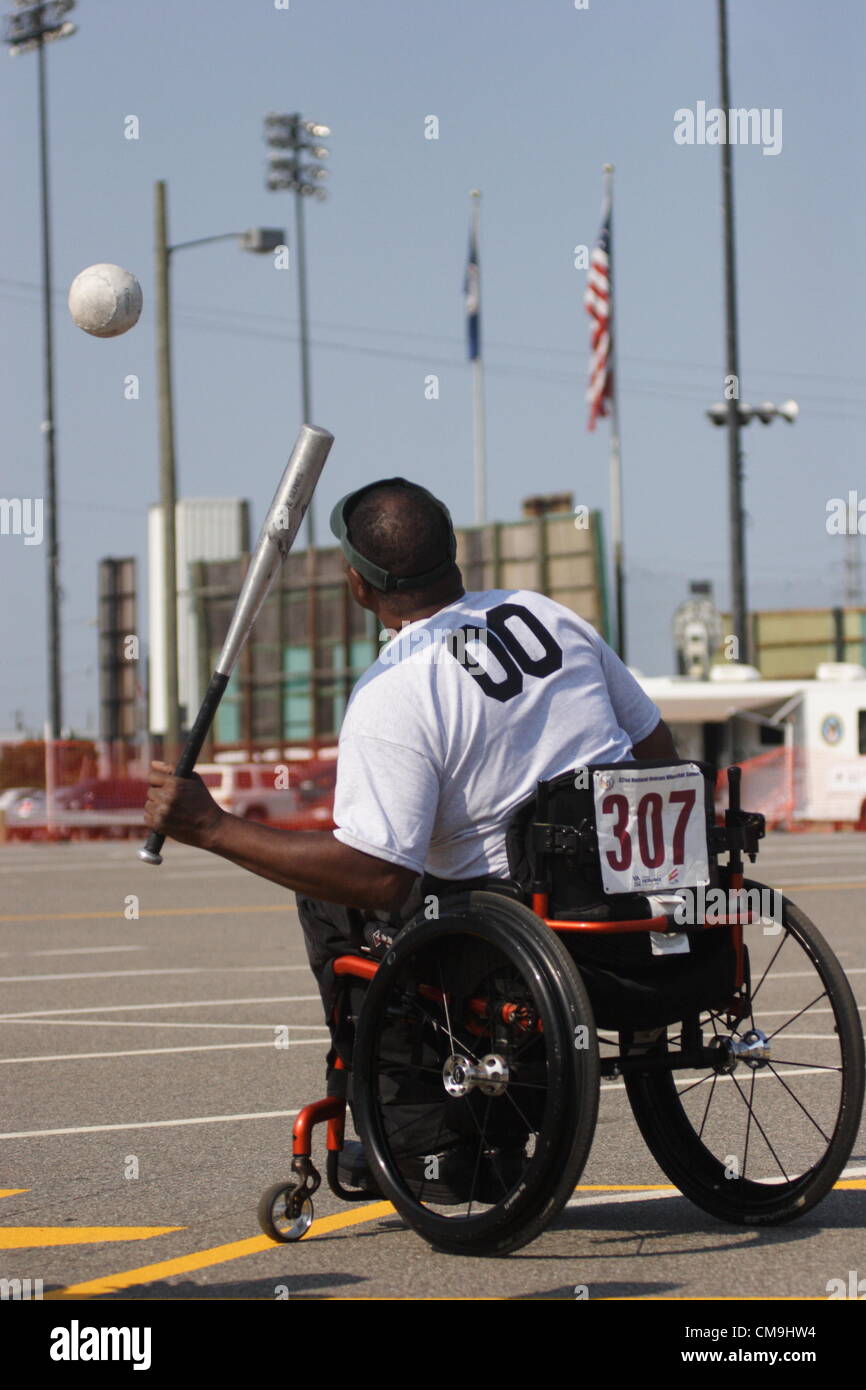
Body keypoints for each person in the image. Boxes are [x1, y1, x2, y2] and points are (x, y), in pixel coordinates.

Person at [145, 477, 676, 1187]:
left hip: (518, 929)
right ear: (454, 554)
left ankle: (426, 1137)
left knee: (336, 903)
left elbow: (380, 875)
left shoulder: (394, 689)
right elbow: (656, 749)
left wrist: (211, 827)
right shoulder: (547, 614)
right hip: (641, 915)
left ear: (359, 587)